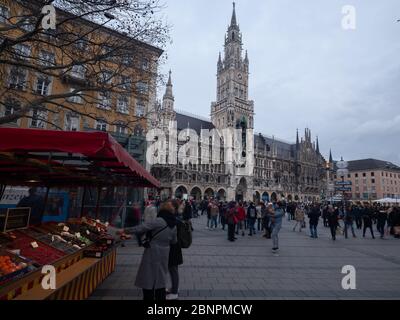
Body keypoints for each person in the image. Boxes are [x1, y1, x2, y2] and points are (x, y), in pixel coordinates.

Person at [123, 200, 177, 301]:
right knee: (160, 279)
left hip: (153, 251)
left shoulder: (159, 221)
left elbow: (141, 227)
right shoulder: (173, 224)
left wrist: (125, 230)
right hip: (165, 252)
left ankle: (148, 297)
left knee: (148, 277)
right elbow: (174, 241)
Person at [166, 203, 183, 300]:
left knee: (173, 270)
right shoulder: (176, 219)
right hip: (176, 248)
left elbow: (173, 239)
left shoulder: (174, 220)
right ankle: (174, 288)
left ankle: (175, 292)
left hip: (173, 248)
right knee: (173, 270)